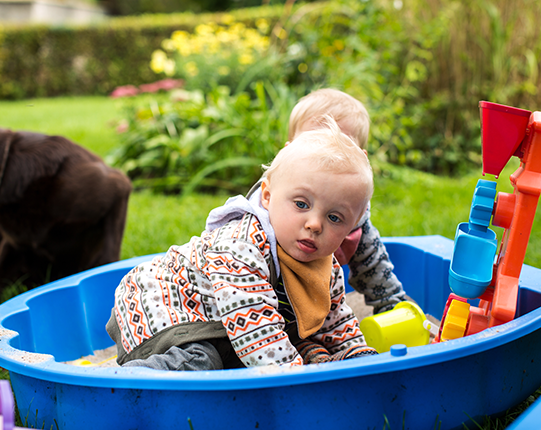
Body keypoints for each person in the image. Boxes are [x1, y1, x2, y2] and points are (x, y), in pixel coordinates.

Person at [106, 117, 377, 370]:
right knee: (202, 361)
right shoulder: (242, 246)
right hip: (162, 309)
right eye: (301, 204)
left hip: (219, 320)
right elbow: (256, 334)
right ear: (268, 196)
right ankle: (120, 386)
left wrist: (357, 357)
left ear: (352, 225)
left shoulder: (324, 265)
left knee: (289, 342)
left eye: (334, 217)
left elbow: (335, 320)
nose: (315, 224)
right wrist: (296, 376)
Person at [248, 88, 407, 315]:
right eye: (314, 142)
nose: (325, 155)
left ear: (361, 159)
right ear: (289, 150)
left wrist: (394, 308)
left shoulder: (355, 221)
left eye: (340, 147)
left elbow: (373, 266)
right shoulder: (267, 211)